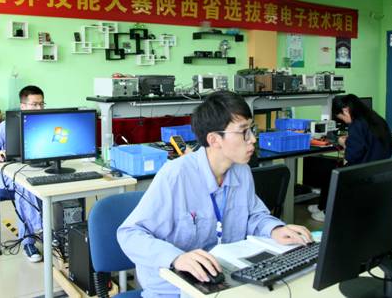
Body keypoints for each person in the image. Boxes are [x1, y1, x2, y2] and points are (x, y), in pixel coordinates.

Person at [117, 91, 312, 297]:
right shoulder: (176, 176)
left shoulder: (241, 170)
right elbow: (130, 234)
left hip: (224, 282)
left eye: (252, 129)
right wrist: (176, 258)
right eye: (244, 132)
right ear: (214, 139)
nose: (253, 139)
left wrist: (275, 229)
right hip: (174, 290)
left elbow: (253, 216)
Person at [0, 85, 45, 262]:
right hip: (10, 176)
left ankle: (58, 234)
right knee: (25, 187)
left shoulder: (47, 123)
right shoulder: (7, 126)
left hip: (40, 170)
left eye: (41, 104)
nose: (39, 108)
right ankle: (31, 239)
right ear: (23, 106)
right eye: (34, 104)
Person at [309, 93, 392, 222]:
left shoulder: (356, 125)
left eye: (341, 118)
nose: (343, 121)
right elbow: (370, 143)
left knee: (333, 175)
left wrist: (344, 143)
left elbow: (352, 156)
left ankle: (328, 212)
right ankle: (323, 207)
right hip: (382, 169)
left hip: (365, 171)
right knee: (332, 173)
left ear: (345, 110)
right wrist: (351, 140)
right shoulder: (377, 119)